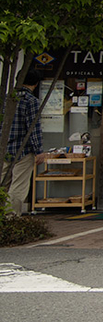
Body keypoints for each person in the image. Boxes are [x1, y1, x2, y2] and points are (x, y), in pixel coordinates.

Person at [2, 70, 47, 215]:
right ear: (36, 83)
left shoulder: (6, 99)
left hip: (5, 148)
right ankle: (11, 218)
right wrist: (39, 150)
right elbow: (33, 128)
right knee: (18, 186)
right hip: (24, 149)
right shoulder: (30, 101)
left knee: (3, 184)